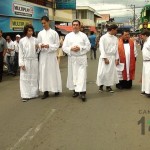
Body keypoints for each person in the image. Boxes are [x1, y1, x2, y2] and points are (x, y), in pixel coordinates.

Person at [62, 20, 91, 102]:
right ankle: (75, 91)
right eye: (73, 25)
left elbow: (88, 46)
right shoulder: (68, 36)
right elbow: (64, 47)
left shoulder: (84, 35)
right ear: (72, 26)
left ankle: (83, 93)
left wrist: (80, 48)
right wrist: (71, 48)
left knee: (82, 76)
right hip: (72, 58)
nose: (75, 26)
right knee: (73, 75)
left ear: (79, 26)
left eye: (76, 25)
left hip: (81, 58)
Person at [37, 16, 62, 99]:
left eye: (44, 23)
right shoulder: (40, 33)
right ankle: (45, 91)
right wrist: (41, 45)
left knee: (53, 72)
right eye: (42, 23)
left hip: (51, 56)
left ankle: (56, 89)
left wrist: (49, 46)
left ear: (49, 22)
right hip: (43, 56)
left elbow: (57, 45)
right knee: (44, 73)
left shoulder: (54, 33)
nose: (43, 25)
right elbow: (38, 43)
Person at [96, 24, 119, 93]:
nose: (116, 31)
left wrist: (117, 59)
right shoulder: (103, 37)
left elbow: (116, 49)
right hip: (105, 57)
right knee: (103, 72)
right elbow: (101, 48)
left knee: (110, 73)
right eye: (116, 30)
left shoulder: (115, 38)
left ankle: (108, 86)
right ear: (112, 30)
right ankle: (101, 86)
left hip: (112, 57)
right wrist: (105, 58)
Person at [19, 24, 39, 102]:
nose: (30, 32)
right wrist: (21, 63)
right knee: (25, 78)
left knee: (34, 77)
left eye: (31, 31)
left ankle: (34, 93)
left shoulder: (35, 40)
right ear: (26, 31)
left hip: (34, 60)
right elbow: (21, 53)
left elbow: (38, 51)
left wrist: (37, 48)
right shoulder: (22, 40)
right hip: (26, 61)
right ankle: (25, 95)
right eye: (29, 31)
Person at [141, 30, 150, 97]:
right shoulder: (146, 41)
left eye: (142, 36)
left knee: (148, 77)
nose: (141, 37)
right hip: (145, 62)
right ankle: (145, 90)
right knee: (145, 77)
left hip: (149, 61)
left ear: (145, 35)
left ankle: (148, 92)